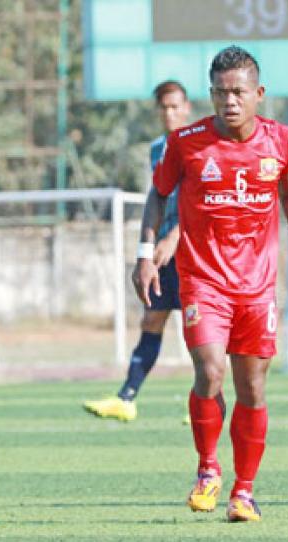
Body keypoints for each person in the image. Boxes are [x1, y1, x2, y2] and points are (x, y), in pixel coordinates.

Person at [133, 46, 288, 522]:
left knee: (252, 388)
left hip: (257, 288)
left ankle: (245, 491)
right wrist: (144, 254)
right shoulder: (186, 143)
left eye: (238, 92)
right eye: (220, 92)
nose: (229, 101)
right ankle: (208, 469)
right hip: (203, 282)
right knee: (210, 371)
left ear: (258, 94)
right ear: (211, 94)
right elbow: (158, 195)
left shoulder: (283, 142)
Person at [84, 80, 191, 422]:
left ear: (187, 108)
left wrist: (176, 236)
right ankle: (127, 397)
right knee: (152, 318)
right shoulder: (158, 147)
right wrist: (150, 246)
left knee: (201, 328)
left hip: (194, 249)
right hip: (163, 252)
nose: (170, 113)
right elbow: (159, 197)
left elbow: (202, 200)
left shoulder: (201, 145)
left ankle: (208, 403)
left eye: (176, 106)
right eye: (164, 107)